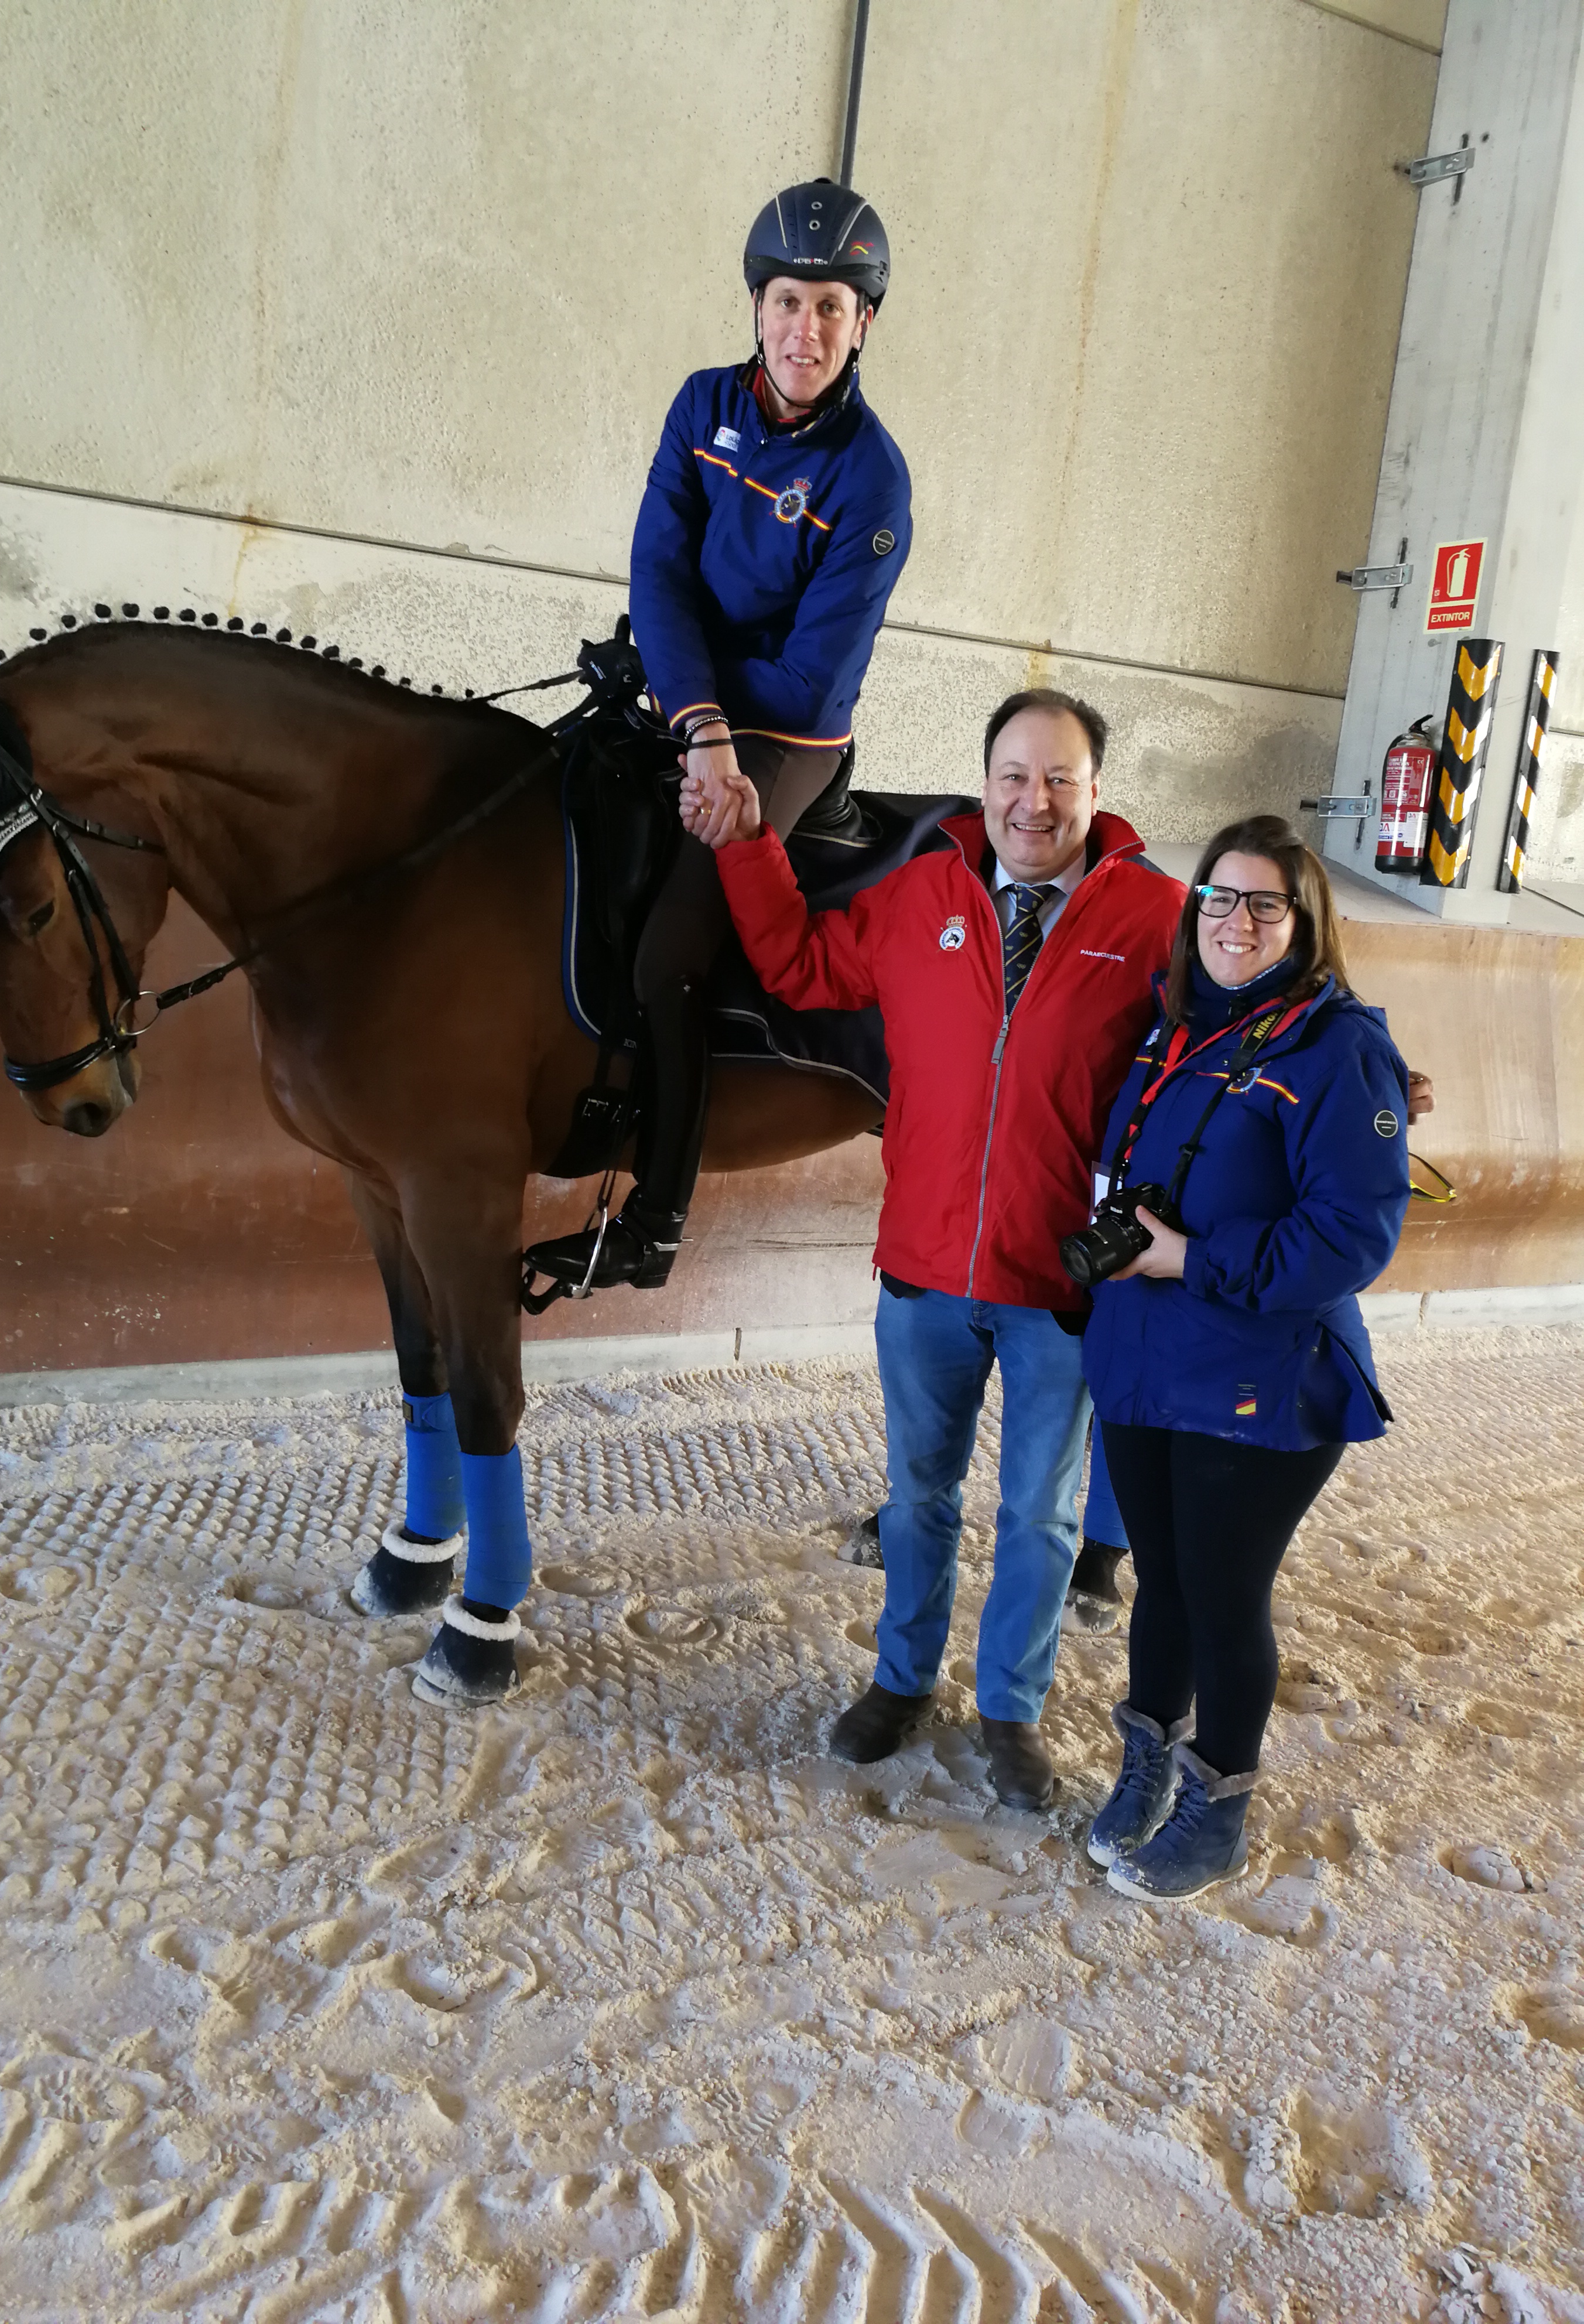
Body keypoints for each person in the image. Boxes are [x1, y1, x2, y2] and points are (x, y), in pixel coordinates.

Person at [681, 686, 1186, 1809]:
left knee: (1042, 1513)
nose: (1034, 800)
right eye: (1014, 775)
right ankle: (902, 1678)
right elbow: (801, 966)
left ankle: (1011, 1709)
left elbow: (1256, 1006)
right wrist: (754, 841)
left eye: (1060, 778)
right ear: (986, 783)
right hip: (921, 1274)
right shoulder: (924, 894)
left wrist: (1365, 1070)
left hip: (1061, 1286)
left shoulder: (1158, 916)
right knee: (919, 1497)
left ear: (1097, 792)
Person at [524, 179, 912, 1297]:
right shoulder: (703, 404)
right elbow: (659, 567)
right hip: (691, 700)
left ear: (864, 325)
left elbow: (808, 677)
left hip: (788, 736)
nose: (807, 329)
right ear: (757, 308)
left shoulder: (872, 478)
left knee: (668, 956)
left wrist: (696, 706)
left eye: (833, 309)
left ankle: (654, 1221)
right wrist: (686, 707)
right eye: (789, 301)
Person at [1080, 815, 1411, 1902]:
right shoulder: (1171, 1030)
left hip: (1257, 1381)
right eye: (1219, 897)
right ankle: (1146, 1770)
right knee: (1161, 1584)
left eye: (1266, 903)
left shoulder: (1338, 1044)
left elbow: (1350, 1239)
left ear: (1304, 923)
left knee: (1225, 1598)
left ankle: (1218, 1808)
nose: (1236, 920)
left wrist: (1190, 1256)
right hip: (1144, 1361)